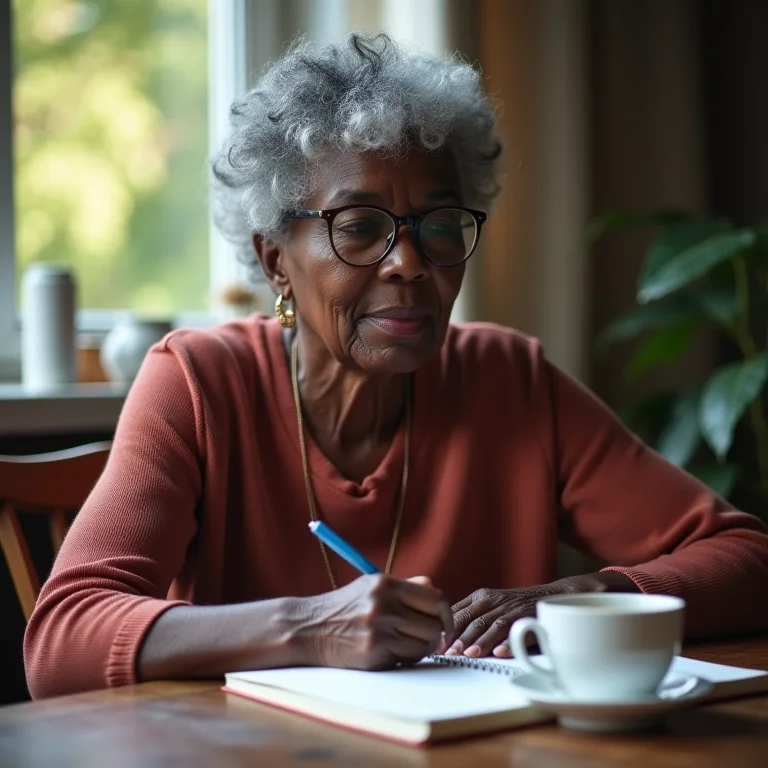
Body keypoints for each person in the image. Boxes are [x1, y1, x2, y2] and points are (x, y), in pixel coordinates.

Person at [24, 33, 768, 699]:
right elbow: (63, 638)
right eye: (359, 227)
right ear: (274, 259)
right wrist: (311, 625)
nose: (410, 262)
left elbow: (748, 557)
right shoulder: (198, 383)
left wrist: (584, 597)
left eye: (439, 225)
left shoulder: (509, 378)